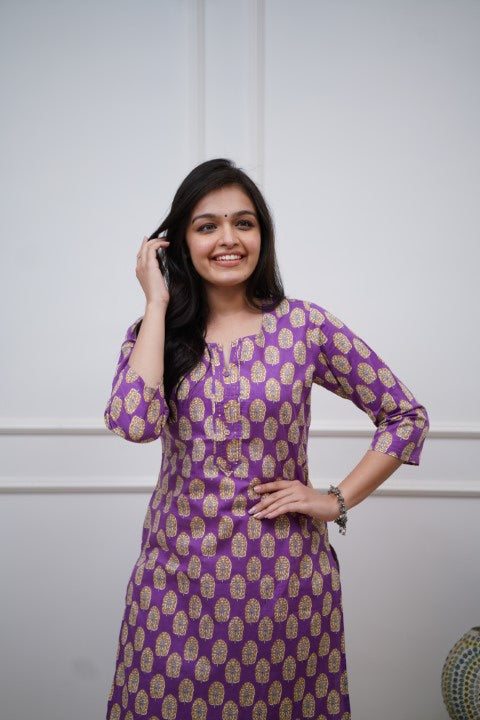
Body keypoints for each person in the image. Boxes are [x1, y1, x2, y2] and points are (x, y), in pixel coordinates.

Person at [104, 158, 429, 720]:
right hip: (173, 586)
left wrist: (334, 500)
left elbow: (405, 416)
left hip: (283, 586)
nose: (228, 239)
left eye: (244, 223)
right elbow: (135, 422)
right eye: (207, 226)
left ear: (263, 235)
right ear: (179, 242)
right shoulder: (156, 334)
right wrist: (156, 303)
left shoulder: (304, 326)